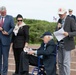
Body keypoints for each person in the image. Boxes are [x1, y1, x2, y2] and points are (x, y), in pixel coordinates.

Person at [56, 8, 76, 75]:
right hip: (60, 44)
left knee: (66, 63)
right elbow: (57, 31)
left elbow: (75, 32)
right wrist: (58, 28)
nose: (60, 16)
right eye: (59, 14)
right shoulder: (59, 20)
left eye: (61, 14)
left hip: (67, 44)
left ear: (65, 13)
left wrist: (68, 34)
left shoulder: (71, 20)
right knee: (60, 63)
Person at [0, 6, 14, 75]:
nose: (3, 13)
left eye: (4, 12)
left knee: (5, 58)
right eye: (2, 12)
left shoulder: (10, 18)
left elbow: (12, 27)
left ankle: (4, 73)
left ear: (6, 11)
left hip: (6, 41)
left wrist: (8, 33)